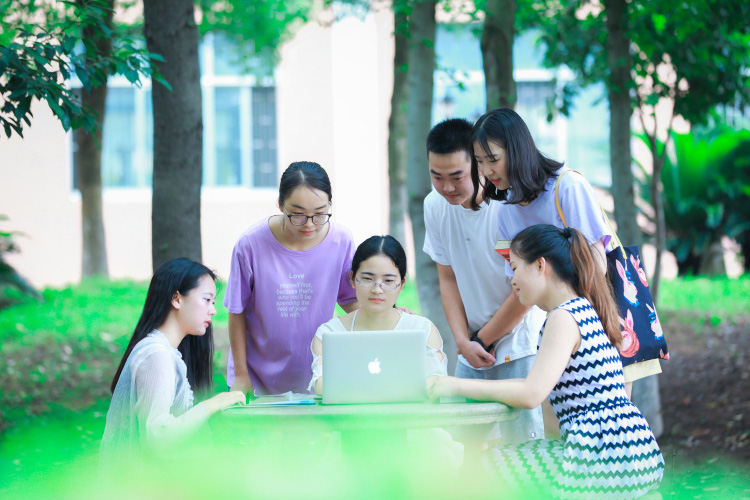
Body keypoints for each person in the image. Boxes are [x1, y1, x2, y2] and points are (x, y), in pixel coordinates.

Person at [429, 225, 665, 498]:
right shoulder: (584, 308)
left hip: (602, 459)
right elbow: (540, 389)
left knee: (481, 466)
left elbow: (531, 393)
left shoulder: (563, 318)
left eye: (515, 268)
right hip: (631, 451)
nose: (512, 280)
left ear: (541, 265)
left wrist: (453, 385)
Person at [469, 107, 661, 396]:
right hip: (557, 329)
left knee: (611, 414)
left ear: (518, 150)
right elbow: (521, 287)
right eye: (480, 162)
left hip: (603, 318)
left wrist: (569, 314)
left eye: (493, 159)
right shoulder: (506, 211)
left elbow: (595, 262)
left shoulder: (567, 185)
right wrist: (485, 338)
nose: (486, 171)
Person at [423, 118, 545, 445]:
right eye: (437, 176)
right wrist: (463, 342)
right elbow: (447, 278)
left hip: (520, 342)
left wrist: (484, 338)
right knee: (469, 447)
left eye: (456, 176)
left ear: (478, 164)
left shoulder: (509, 207)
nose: (446, 187)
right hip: (474, 345)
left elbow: (527, 290)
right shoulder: (434, 206)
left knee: (523, 447)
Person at [225, 161, 358, 396]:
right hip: (257, 379)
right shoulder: (250, 245)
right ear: (280, 204)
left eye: (319, 214)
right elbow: (236, 312)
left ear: (330, 205)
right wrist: (242, 375)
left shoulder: (342, 241)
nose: (309, 225)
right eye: (297, 215)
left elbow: (351, 302)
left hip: (317, 376)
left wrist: (392, 318)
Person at [100, 258, 245, 466]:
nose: (213, 310)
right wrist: (213, 404)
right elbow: (159, 437)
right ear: (176, 299)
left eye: (213, 302)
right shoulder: (156, 355)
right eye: (207, 300)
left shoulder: (164, 352)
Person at [309, 235, 447, 394]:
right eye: (367, 279)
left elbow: (436, 381)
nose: (377, 289)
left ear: (402, 284)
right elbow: (321, 386)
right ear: (352, 279)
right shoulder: (330, 333)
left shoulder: (422, 329)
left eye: (388, 281)